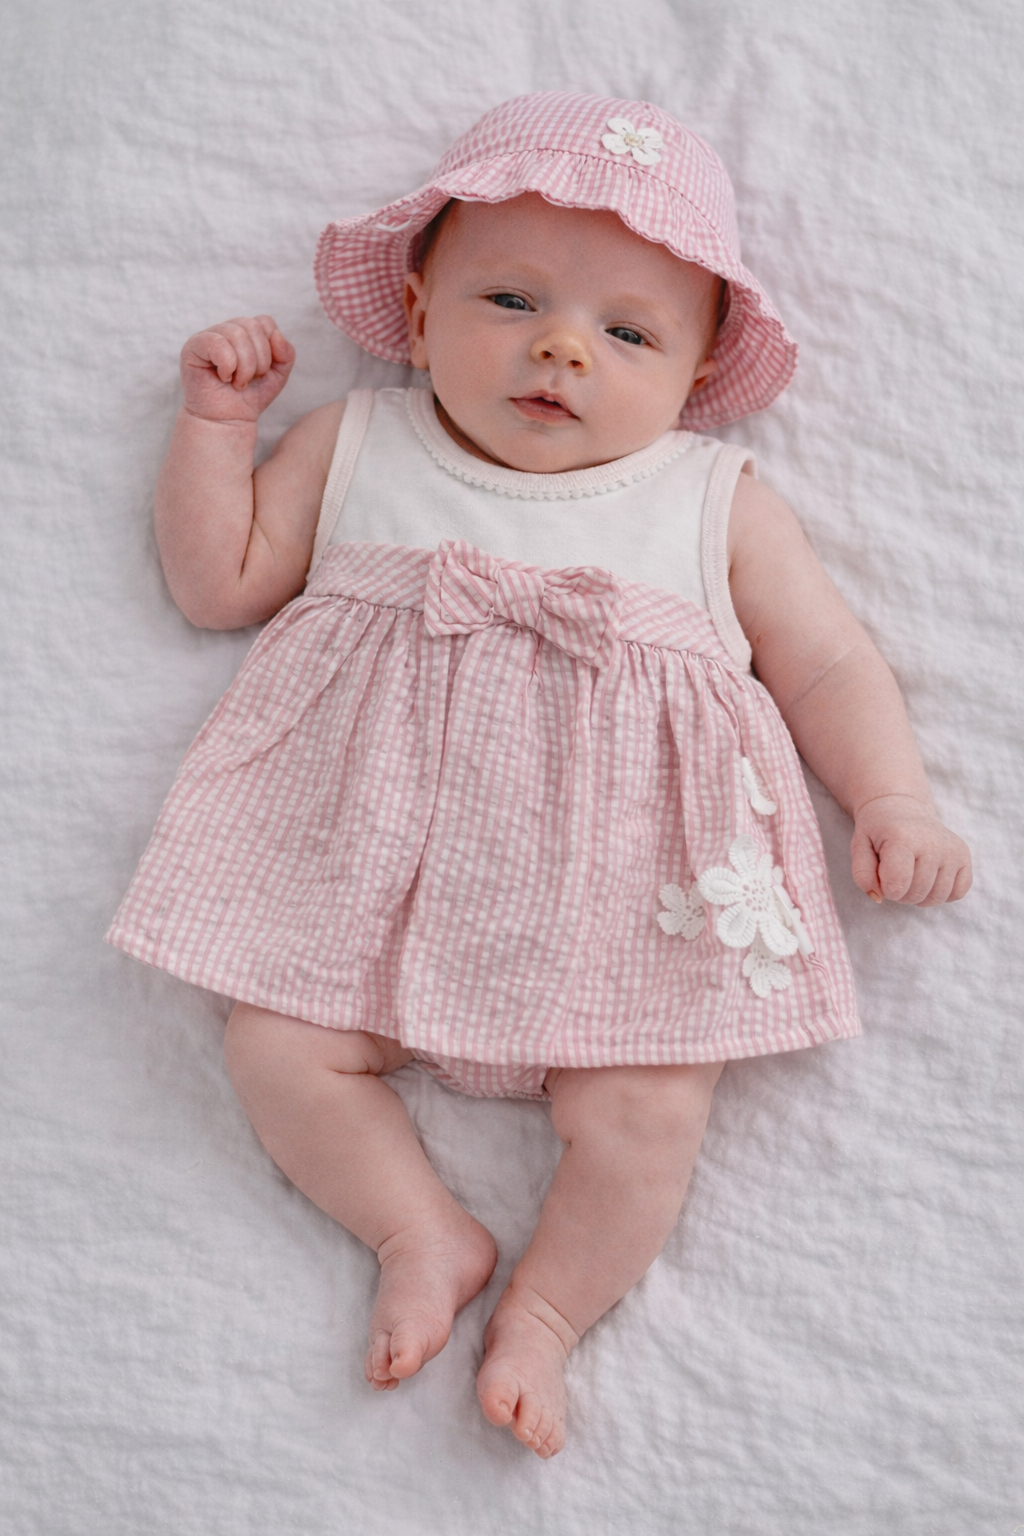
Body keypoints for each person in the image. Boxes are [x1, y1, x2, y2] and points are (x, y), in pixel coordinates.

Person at [107, 93, 971, 1459]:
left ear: (692, 377)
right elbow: (216, 584)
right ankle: (420, 1232)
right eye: (510, 297)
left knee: (647, 1114)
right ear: (419, 302)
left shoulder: (709, 499)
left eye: (629, 333)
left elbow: (827, 669)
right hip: (369, 884)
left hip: (618, 911)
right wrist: (216, 427)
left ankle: (550, 1317)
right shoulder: (361, 446)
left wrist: (892, 797)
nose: (563, 346)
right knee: (273, 1044)